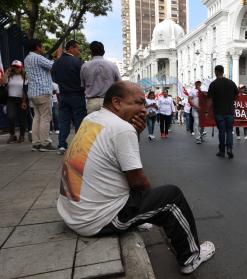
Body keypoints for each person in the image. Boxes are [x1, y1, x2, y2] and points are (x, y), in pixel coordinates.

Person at [57, 81, 215, 274]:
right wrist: (153, 205)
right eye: (139, 103)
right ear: (117, 102)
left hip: (71, 213)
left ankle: (142, 217)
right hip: (95, 221)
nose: (144, 109)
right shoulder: (122, 128)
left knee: (147, 196)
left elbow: (123, 163)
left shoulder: (92, 119)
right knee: (171, 197)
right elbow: (138, 182)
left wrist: (136, 134)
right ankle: (191, 257)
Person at [52, 39, 87, 155]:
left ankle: (62, 145)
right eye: (78, 48)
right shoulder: (77, 62)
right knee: (79, 121)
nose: (79, 51)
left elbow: (55, 78)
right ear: (71, 48)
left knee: (64, 121)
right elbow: (84, 78)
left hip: (63, 96)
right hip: (77, 95)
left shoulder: (56, 62)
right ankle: (79, 145)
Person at [24, 38, 58, 151]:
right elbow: (54, 66)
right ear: (38, 47)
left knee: (37, 117)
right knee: (45, 118)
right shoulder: (38, 58)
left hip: (33, 92)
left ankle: (36, 143)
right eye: (42, 46)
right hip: (43, 91)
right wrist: (58, 57)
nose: (43, 48)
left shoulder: (27, 58)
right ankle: (45, 143)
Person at [80, 41, 121, 114]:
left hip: (92, 102)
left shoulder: (85, 66)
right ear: (104, 52)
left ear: (91, 52)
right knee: (108, 124)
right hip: (108, 102)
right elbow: (119, 84)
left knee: (93, 125)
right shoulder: (112, 65)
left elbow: (83, 85)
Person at [207, 65, 238, 158]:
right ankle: (229, 148)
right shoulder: (231, 83)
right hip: (229, 111)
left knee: (221, 131)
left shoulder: (213, 84)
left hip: (219, 112)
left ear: (216, 72)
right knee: (229, 131)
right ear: (223, 71)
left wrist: (206, 111)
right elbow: (237, 95)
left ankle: (221, 151)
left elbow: (209, 100)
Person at [2, 60, 28, 143]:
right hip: (11, 99)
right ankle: (12, 135)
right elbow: (2, 83)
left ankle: (22, 135)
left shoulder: (25, 77)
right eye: (14, 66)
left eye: (17, 67)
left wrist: (24, 102)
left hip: (22, 99)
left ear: (21, 67)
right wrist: (6, 73)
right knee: (11, 117)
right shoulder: (9, 76)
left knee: (21, 119)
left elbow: (25, 90)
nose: (15, 68)